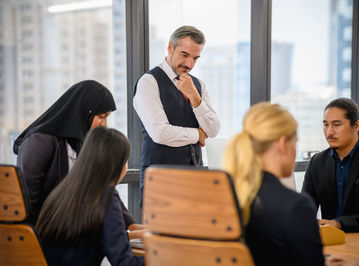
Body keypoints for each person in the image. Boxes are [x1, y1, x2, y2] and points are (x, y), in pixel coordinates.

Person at [13, 80, 143, 235]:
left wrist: (131, 224)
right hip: (45, 236)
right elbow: (27, 200)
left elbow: (101, 189)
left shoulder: (83, 144)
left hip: (70, 232)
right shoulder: (40, 142)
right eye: (101, 116)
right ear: (84, 112)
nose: (104, 124)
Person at [223, 102, 325, 265]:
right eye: (295, 143)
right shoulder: (296, 206)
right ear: (282, 144)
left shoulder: (227, 197)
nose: (295, 152)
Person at [133, 25, 220, 201]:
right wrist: (198, 134)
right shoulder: (148, 82)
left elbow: (214, 129)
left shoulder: (199, 85)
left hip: (195, 181)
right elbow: (160, 133)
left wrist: (196, 99)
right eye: (184, 55)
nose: (189, 64)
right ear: (170, 48)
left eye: (195, 58)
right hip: (160, 183)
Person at [36, 127, 144, 266]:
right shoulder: (105, 196)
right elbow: (124, 262)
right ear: (115, 164)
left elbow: (86, 241)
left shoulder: (63, 191)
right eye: (125, 161)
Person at [302, 98, 359, 232]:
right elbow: (306, 207)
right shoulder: (317, 162)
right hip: (331, 241)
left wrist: (339, 223)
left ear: (356, 126)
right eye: (326, 125)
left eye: (337, 125)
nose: (329, 132)